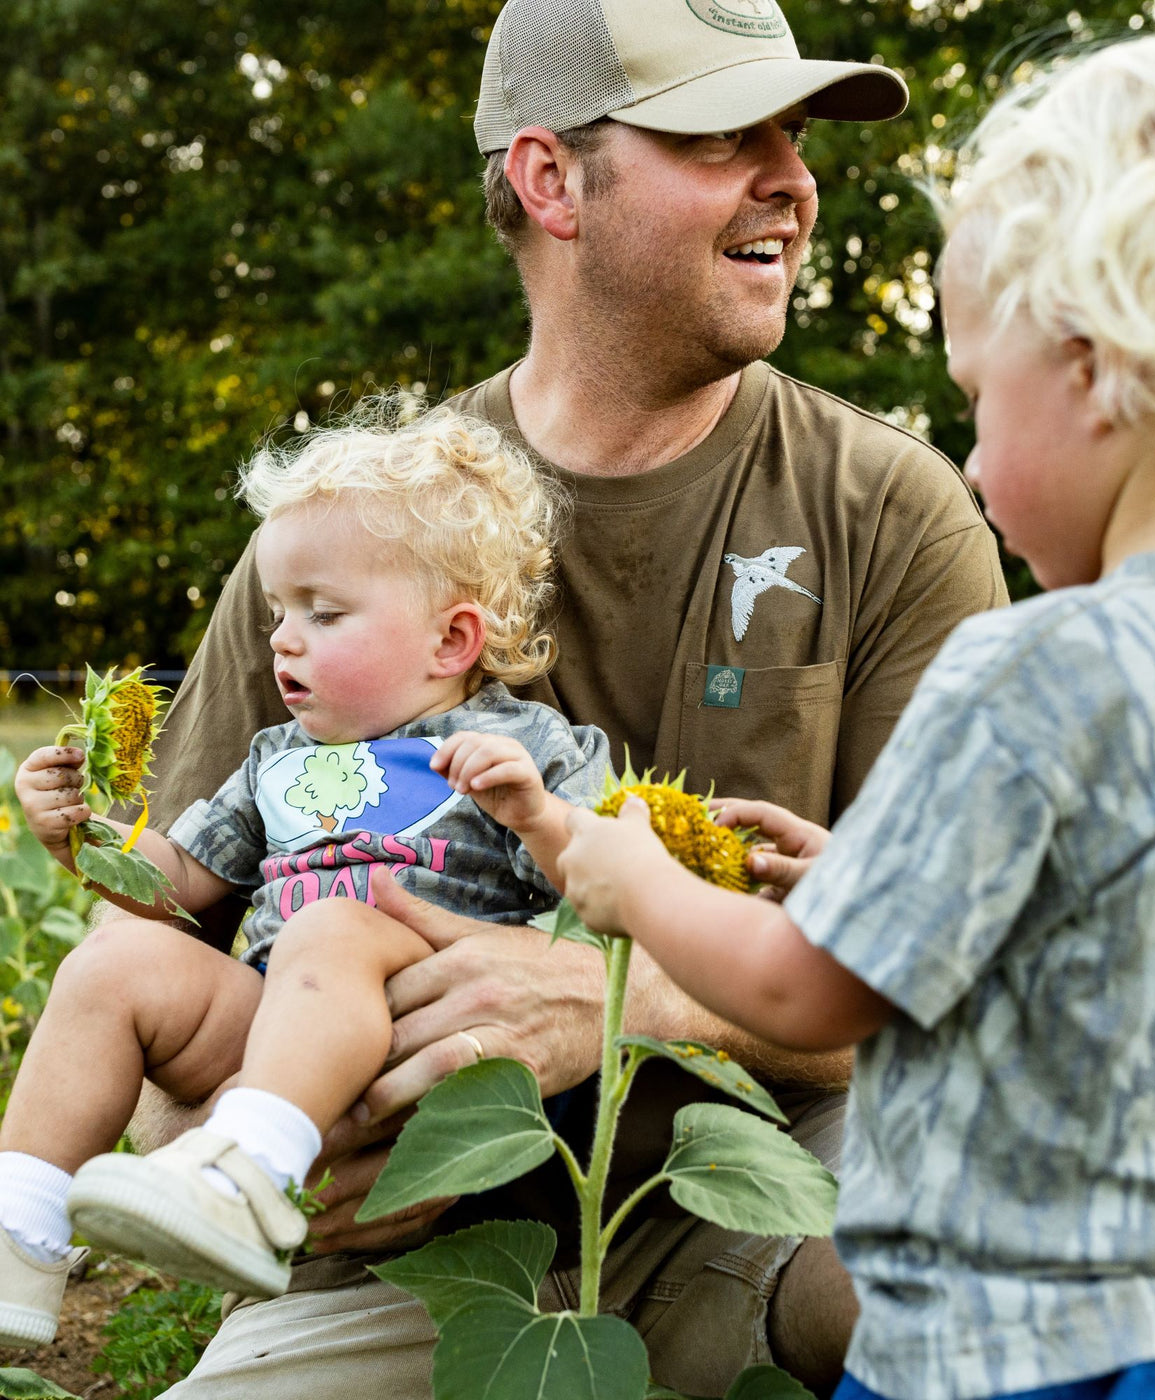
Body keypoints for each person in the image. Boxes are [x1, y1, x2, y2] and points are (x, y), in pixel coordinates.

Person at [123, 0, 1006, 1394]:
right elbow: (173, 970)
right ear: (549, 180)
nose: (790, 175)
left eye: (794, 133)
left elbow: (962, 985)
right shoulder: (341, 531)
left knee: (957, 1283)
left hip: (762, 1193)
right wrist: (277, 1132)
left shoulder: (892, 513)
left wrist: (628, 1001)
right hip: (420, 1245)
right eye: (724, 134)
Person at [555, 30, 1155, 1400]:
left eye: (976, 397)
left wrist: (632, 880)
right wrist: (899, 883)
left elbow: (802, 988)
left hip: (1020, 1353)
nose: (967, 457)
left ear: (1097, 365)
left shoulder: (1035, 666)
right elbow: (1149, 933)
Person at [0, 402, 610, 1348]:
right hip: (282, 1030)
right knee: (109, 967)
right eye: (280, 612)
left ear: (452, 640)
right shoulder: (272, 760)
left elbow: (611, 887)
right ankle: (19, 1234)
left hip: (429, 1035)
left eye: (323, 614)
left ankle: (246, 1181)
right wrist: (82, 839)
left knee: (337, 919)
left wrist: (537, 812)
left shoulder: (529, 746)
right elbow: (178, 883)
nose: (283, 638)